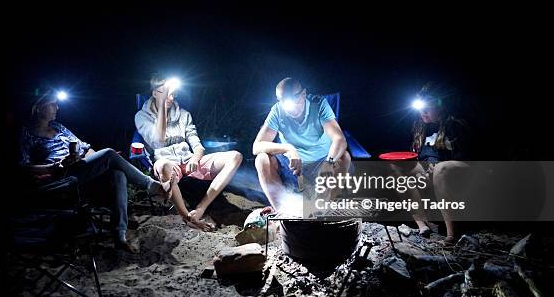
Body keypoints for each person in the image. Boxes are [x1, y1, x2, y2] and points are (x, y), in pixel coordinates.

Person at [21, 91, 174, 252]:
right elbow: (21, 167)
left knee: (118, 174)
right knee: (108, 152)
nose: (57, 107)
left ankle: (119, 235)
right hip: (60, 179)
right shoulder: (26, 134)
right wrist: (51, 168)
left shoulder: (58, 127)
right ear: (37, 108)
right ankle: (152, 185)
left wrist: (100, 163)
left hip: (80, 169)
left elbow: (85, 148)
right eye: (52, 104)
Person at [135, 77, 243, 232]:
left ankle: (201, 207)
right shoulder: (142, 116)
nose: (170, 98)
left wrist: (195, 157)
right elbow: (158, 141)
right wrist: (162, 110)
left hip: (189, 160)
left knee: (235, 156)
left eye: (173, 94)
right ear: (154, 93)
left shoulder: (184, 114)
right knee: (164, 165)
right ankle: (188, 218)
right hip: (166, 163)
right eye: (166, 94)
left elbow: (197, 145)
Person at [253, 77, 351, 212]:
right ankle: (282, 212)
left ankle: (324, 208)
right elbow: (257, 146)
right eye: (284, 100)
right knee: (262, 159)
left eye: (294, 98)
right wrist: (288, 148)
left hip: (320, 166)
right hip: (293, 169)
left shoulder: (319, 104)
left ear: (304, 94)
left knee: (344, 157)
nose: (290, 105)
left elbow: (339, 139)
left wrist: (328, 164)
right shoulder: (277, 110)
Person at [407, 83, 471, 244]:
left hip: (460, 170)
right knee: (401, 171)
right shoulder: (420, 126)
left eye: (428, 107)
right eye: (420, 108)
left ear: (440, 106)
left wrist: (434, 169)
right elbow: (418, 157)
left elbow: (465, 157)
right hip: (432, 169)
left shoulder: (454, 124)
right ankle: (423, 226)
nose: (423, 112)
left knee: (441, 169)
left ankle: (451, 235)